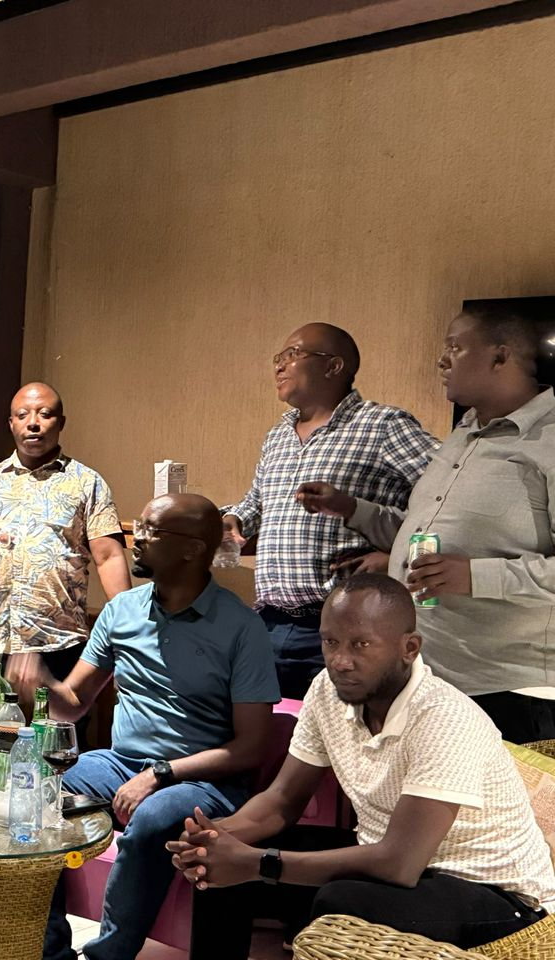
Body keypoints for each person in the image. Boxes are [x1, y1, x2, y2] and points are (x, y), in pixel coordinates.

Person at [171, 574, 555, 957]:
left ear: (409, 648)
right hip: (390, 863)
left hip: (495, 893)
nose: (340, 661)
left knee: (342, 899)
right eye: (330, 642)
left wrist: (257, 864)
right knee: (216, 865)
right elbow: (282, 798)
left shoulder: (444, 717)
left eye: (361, 644)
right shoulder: (327, 690)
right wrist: (217, 838)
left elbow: (399, 864)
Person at [298, 304, 555, 742]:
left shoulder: (547, 440)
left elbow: (468, 565)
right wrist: (351, 509)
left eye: (455, 347)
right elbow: (421, 536)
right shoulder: (464, 434)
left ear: (500, 356)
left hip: (509, 691)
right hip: (430, 677)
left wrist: (475, 575)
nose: (442, 360)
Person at [42, 494, 280, 960]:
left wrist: (161, 773)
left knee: (153, 817)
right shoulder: (122, 611)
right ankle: (51, 951)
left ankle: (108, 955)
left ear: (193, 549)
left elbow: (251, 747)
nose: (137, 539)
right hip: (120, 763)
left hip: (207, 780)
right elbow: (72, 705)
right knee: (41, 791)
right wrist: (40, 683)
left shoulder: (240, 627)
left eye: (152, 531)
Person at [224, 323, 437, 698]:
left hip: (345, 627)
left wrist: (397, 556)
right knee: (275, 730)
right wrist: (234, 518)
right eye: (278, 358)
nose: (280, 366)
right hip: (269, 622)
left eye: (293, 354)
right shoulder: (278, 435)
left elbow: (450, 498)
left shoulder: (382, 425)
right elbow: (256, 501)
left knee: (343, 732)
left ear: (333, 366)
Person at [0, 382, 128, 704]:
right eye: (22, 415)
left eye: (44, 414)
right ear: (11, 424)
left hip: (58, 643)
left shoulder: (87, 482)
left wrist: (127, 625)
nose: (33, 423)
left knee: (54, 729)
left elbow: (108, 557)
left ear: (61, 423)